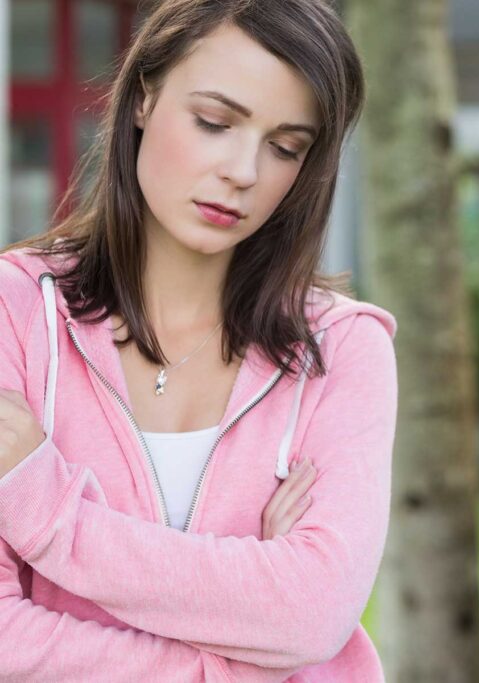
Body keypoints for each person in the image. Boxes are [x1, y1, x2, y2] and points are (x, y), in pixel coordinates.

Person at [0, 2, 396, 681]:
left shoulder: (344, 349)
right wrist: (242, 660)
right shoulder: (15, 311)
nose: (244, 170)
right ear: (144, 98)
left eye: (285, 147)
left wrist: (44, 510)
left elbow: (312, 611)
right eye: (215, 122)